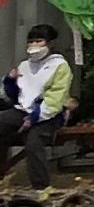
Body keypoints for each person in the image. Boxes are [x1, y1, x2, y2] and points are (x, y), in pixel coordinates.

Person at [13, 19, 74, 190]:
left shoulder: (60, 66)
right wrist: (9, 81)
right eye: (31, 41)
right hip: (23, 110)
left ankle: (41, 187)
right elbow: (15, 94)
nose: (34, 45)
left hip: (50, 114)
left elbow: (56, 99)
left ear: (50, 43)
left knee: (34, 142)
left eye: (39, 41)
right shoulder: (24, 65)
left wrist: (34, 118)